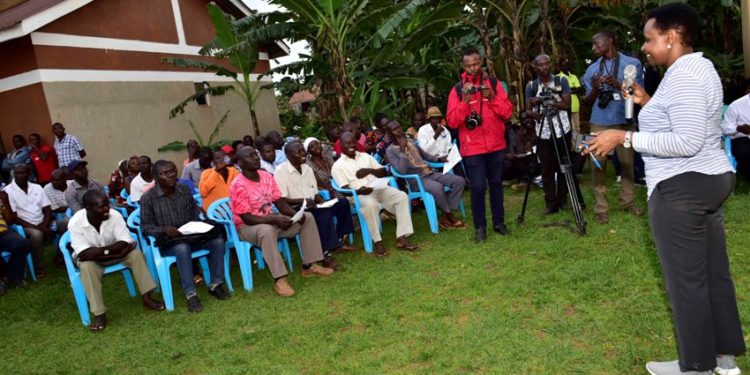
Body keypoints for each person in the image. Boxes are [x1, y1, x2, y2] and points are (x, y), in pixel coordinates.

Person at [586, 4, 744, 374]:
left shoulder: (685, 75)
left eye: (649, 39)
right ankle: (724, 361)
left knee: (686, 282)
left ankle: (695, 366)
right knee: (713, 275)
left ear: (671, 37)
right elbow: (689, 123)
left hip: (683, 187)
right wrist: (648, 102)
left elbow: (686, 140)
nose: (644, 47)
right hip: (709, 179)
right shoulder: (698, 67)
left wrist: (623, 137)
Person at [230, 146, 334, 297]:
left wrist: (296, 214)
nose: (256, 158)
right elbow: (246, 217)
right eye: (250, 156)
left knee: (308, 218)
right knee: (266, 231)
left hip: (271, 221)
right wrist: (272, 219)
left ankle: (310, 266)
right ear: (240, 163)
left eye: (256, 155)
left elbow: (279, 203)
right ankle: (280, 279)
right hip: (247, 227)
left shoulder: (266, 176)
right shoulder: (238, 184)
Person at [69, 189, 165, 332]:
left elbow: (126, 242)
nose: (107, 208)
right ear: (88, 209)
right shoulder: (75, 222)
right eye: (102, 206)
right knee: (87, 268)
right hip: (95, 259)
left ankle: (147, 298)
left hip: (115, 253)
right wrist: (113, 251)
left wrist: (107, 252)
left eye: (107, 204)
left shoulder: (115, 215)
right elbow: (84, 254)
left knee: (136, 255)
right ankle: (99, 314)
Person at [140, 160, 230, 312]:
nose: (170, 175)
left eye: (172, 171)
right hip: (170, 242)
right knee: (182, 248)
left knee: (218, 241)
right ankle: (191, 294)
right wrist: (163, 229)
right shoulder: (148, 198)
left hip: (191, 235)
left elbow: (194, 213)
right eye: (164, 173)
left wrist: (199, 224)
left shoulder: (184, 189)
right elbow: (145, 227)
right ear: (155, 177)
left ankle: (216, 284)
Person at [446, 47, 513, 242]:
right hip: (472, 147)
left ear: (481, 62)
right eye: (468, 66)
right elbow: (452, 121)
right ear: (463, 66)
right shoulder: (458, 89)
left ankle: (499, 223)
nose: (472, 68)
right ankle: (480, 227)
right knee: (477, 187)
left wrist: (491, 98)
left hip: (496, 145)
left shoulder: (494, 83)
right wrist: (465, 101)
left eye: (475, 64)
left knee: (496, 184)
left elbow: (507, 112)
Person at [582, 30, 644, 224]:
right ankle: (601, 207)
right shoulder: (592, 70)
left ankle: (627, 202)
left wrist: (618, 84)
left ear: (610, 41)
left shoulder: (632, 64)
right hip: (599, 120)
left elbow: (639, 94)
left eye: (596, 43)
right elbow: (587, 101)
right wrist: (595, 88)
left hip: (623, 120)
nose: (593, 47)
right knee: (597, 165)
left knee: (627, 164)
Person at [331, 132, 418, 256]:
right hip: (359, 194)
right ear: (341, 145)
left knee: (402, 196)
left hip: (378, 188)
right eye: (347, 143)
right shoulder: (338, 166)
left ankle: (402, 238)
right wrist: (361, 190)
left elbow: (383, 171)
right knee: (371, 205)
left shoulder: (365, 156)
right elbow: (345, 190)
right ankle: (378, 242)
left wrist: (369, 171)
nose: (351, 145)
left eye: (352, 142)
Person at [275, 141, 355, 268]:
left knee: (342, 203)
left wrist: (322, 202)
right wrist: (303, 201)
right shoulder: (280, 171)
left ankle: (339, 241)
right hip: (296, 208)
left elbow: (315, 192)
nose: (304, 153)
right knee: (323, 215)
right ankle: (325, 254)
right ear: (288, 155)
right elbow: (282, 199)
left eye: (303, 150)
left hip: (312, 204)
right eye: (299, 152)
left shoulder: (307, 168)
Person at [385, 121, 466, 230]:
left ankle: (446, 213)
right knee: (438, 188)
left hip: (429, 172)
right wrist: (402, 150)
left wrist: (439, 159)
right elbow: (402, 171)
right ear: (390, 133)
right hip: (416, 180)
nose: (399, 130)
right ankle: (449, 215)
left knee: (459, 181)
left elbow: (426, 156)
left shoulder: (411, 142)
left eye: (399, 127)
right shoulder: (390, 151)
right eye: (395, 129)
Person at [525, 54, 575, 215]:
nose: (545, 67)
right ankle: (550, 202)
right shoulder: (531, 86)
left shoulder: (561, 81)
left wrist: (551, 101)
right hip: (543, 132)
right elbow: (527, 111)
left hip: (562, 129)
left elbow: (567, 105)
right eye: (541, 65)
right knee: (546, 168)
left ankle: (563, 198)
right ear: (535, 67)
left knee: (564, 165)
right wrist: (535, 111)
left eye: (547, 64)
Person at [5, 164, 53, 277]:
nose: (19, 175)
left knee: (64, 225)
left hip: (43, 222)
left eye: (23, 173)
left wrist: (44, 225)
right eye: (17, 173)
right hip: (23, 226)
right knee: (36, 235)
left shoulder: (37, 187)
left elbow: (47, 210)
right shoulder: (8, 191)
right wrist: (39, 228)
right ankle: (39, 268)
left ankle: (61, 257)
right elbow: (14, 217)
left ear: (29, 174)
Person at [0, 190, 31, 293]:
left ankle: (11, 276)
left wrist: (5, 201)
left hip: (3, 233)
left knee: (23, 243)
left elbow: (9, 221)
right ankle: (5, 277)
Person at [721, 80, 750, 181]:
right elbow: (724, 127)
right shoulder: (737, 105)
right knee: (745, 152)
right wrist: (738, 128)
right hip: (742, 138)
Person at [503, 112, 537, 191]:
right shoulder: (520, 133)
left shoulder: (538, 129)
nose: (527, 121)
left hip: (540, 157)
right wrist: (526, 149)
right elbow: (520, 151)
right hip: (528, 158)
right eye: (524, 120)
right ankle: (523, 183)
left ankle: (525, 182)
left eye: (529, 118)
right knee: (518, 163)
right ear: (521, 122)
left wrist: (533, 145)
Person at [43, 169, 70, 233]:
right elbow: (55, 209)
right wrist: (71, 208)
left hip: (76, 209)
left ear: (65, 179)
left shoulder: (72, 184)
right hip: (60, 213)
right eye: (52, 180)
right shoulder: (47, 188)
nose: (53, 182)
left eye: (57, 180)